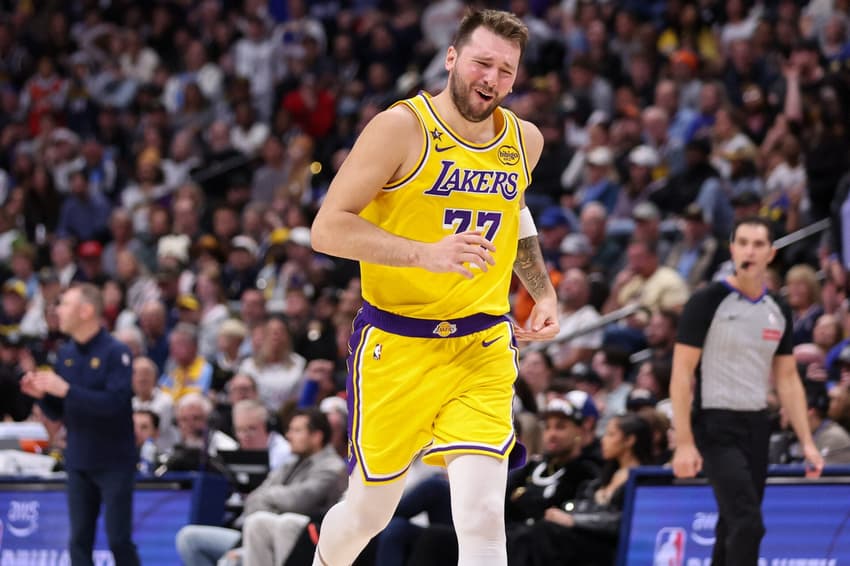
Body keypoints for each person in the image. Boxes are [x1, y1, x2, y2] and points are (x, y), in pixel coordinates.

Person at [309, 10, 559, 566]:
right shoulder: (401, 127)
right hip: (396, 344)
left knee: (481, 519)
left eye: (505, 69)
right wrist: (425, 254)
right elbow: (327, 229)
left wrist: (542, 290)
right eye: (482, 62)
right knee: (369, 514)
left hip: (481, 343)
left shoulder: (525, 140)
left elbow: (513, 211)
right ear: (451, 58)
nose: (491, 78)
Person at [671, 216, 824, 566]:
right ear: (732, 248)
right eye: (742, 243)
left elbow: (787, 380)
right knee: (748, 523)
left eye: (758, 245)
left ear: (770, 253)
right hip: (714, 425)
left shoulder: (778, 309)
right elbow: (682, 374)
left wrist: (808, 442)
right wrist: (683, 441)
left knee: (732, 524)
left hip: (756, 426)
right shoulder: (708, 301)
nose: (749, 251)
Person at [20, 283, 140, 566]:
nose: (56, 310)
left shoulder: (116, 352)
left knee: (118, 539)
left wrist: (67, 391)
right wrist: (42, 398)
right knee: (78, 541)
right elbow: (61, 410)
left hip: (114, 461)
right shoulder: (66, 353)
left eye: (64, 304)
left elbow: (116, 404)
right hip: (79, 459)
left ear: (86, 311)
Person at [175, 408, 347, 566]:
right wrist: (270, 499)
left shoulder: (331, 466)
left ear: (316, 436)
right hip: (255, 534)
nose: (288, 435)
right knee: (188, 538)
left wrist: (268, 498)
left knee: (268, 526)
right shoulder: (290, 463)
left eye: (296, 430)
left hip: (305, 540)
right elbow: (254, 498)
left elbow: (299, 501)